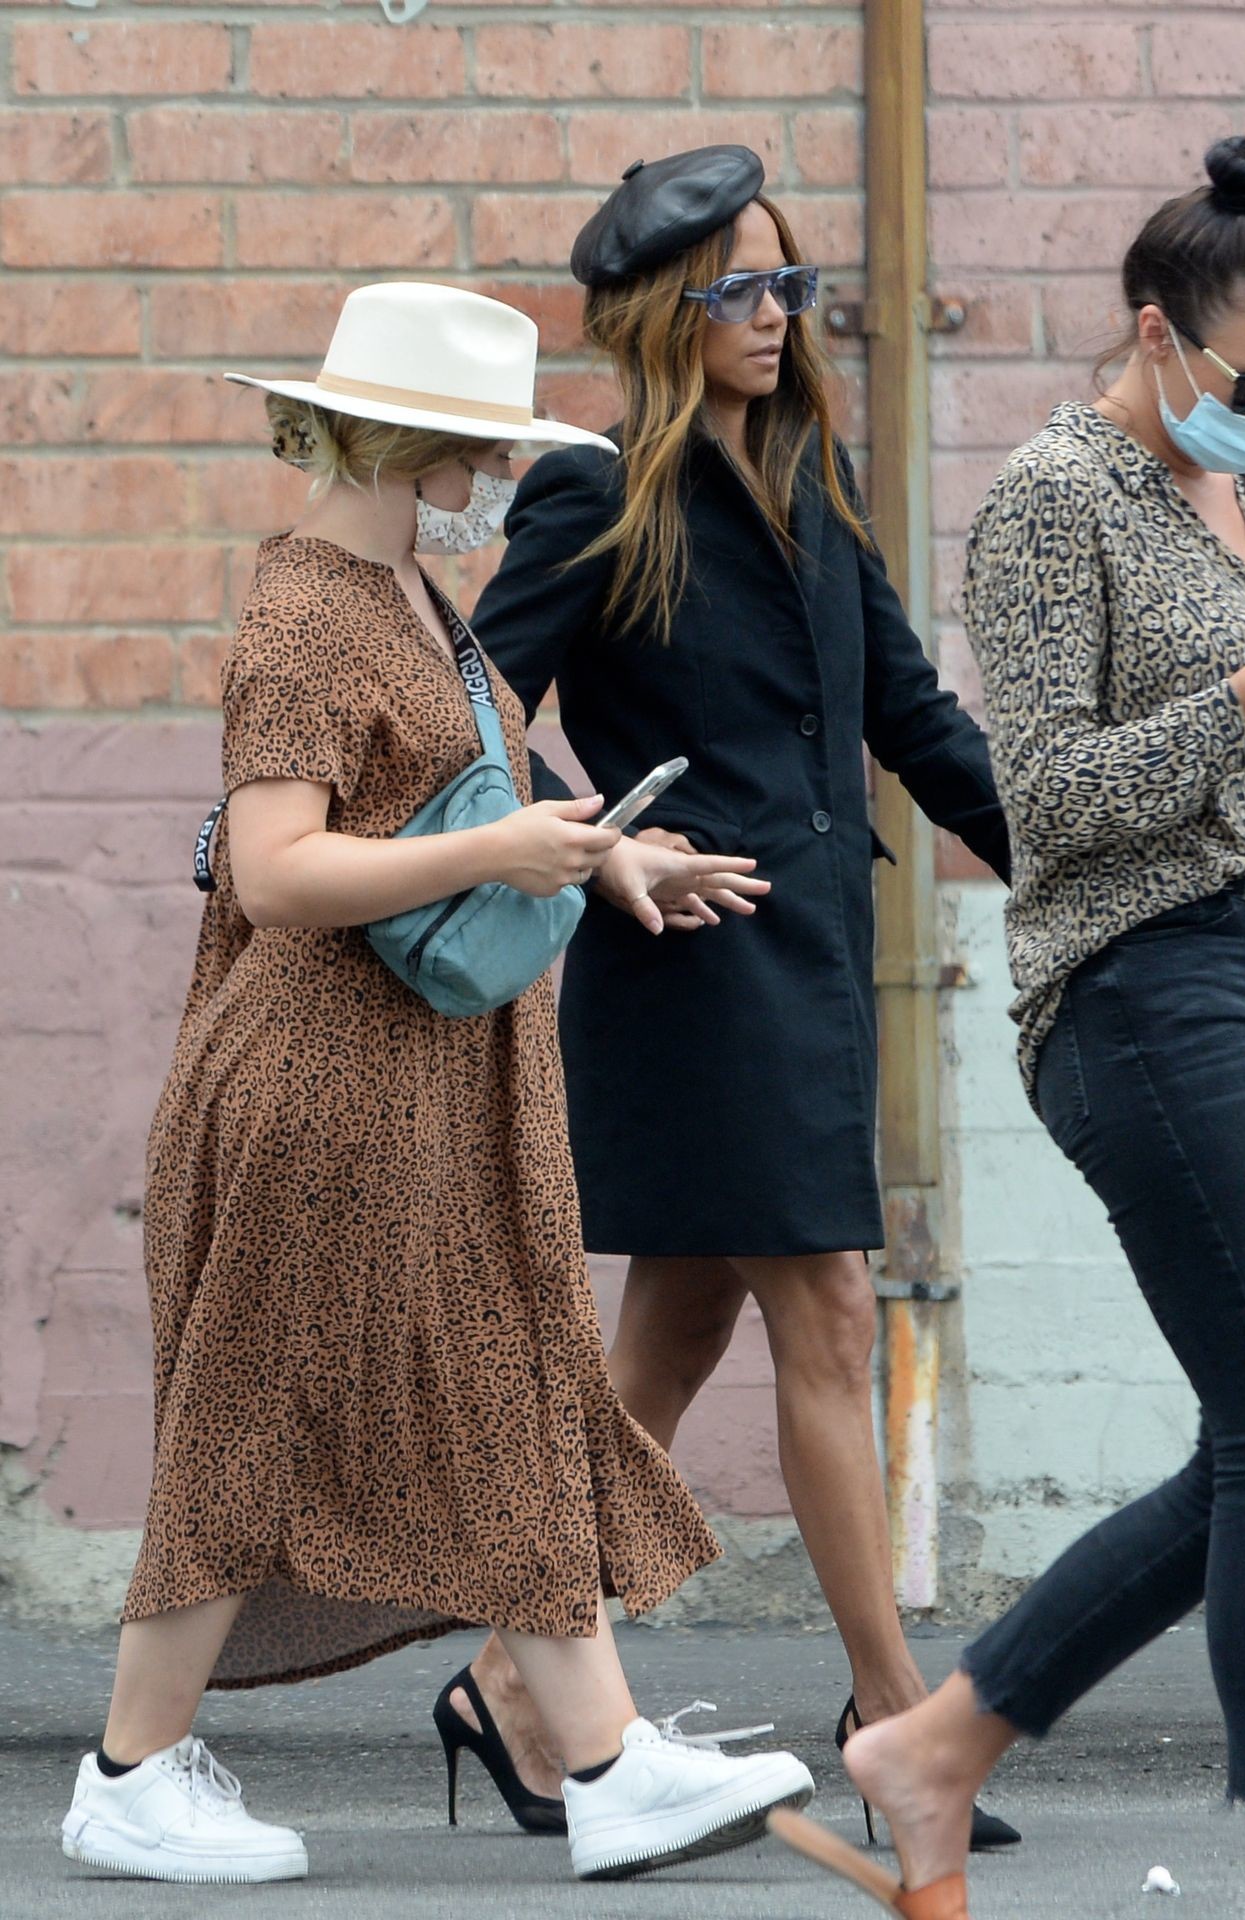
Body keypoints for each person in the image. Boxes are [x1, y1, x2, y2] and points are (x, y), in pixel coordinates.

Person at [58, 280, 815, 1889]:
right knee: (253, 1422)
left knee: (506, 1394)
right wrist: (503, 852)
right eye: (481, 446)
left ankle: (604, 1764)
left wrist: (602, 861)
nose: (499, 476)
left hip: (423, 1084)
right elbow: (274, 871)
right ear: (407, 443)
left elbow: (447, 797)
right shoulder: (309, 615)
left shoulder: (406, 593)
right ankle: (128, 1776)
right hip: (322, 1091)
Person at [771, 136, 1245, 1920]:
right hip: (1143, 984)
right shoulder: (1053, 497)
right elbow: (1046, 802)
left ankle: (934, 1749)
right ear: (1157, 334)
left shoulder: (1238, 496)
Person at [430, 146, 1019, 1855]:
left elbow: (911, 715)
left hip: (809, 957)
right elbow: (467, 713)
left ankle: (510, 1681)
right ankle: (892, 1717)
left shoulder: (809, 470)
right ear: (657, 316)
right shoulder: (594, 493)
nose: (776, 316)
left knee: (675, 1336)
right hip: (693, 969)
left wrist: (1067, 863)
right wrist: (602, 841)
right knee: (828, 1306)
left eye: (788, 283)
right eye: (739, 291)